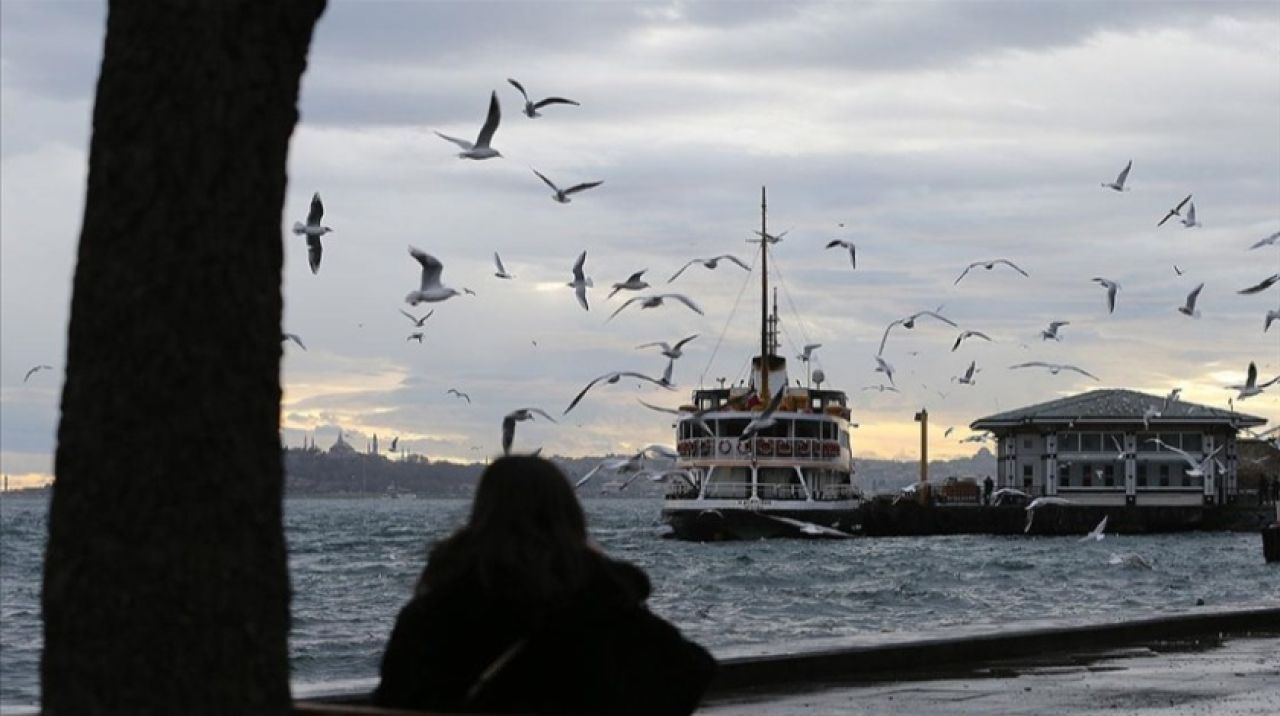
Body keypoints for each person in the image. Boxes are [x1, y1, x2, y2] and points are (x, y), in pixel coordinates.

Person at [374, 455, 715, 715]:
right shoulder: (600, 610)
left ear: (481, 515)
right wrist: (600, 571)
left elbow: (393, 702)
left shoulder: (430, 616)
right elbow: (691, 673)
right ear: (571, 519)